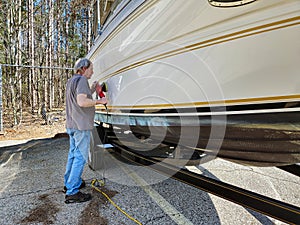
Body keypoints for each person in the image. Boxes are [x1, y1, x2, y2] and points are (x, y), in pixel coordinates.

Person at [64, 58, 107, 204]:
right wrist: (100, 101)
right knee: (80, 157)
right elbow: (82, 102)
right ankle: (72, 192)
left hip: (71, 125)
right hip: (81, 127)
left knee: (73, 155)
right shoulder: (82, 80)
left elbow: (80, 98)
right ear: (83, 68)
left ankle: (69, 183)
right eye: (91, 69)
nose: (93, 71)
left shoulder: (72, 81)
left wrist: (92, 90)